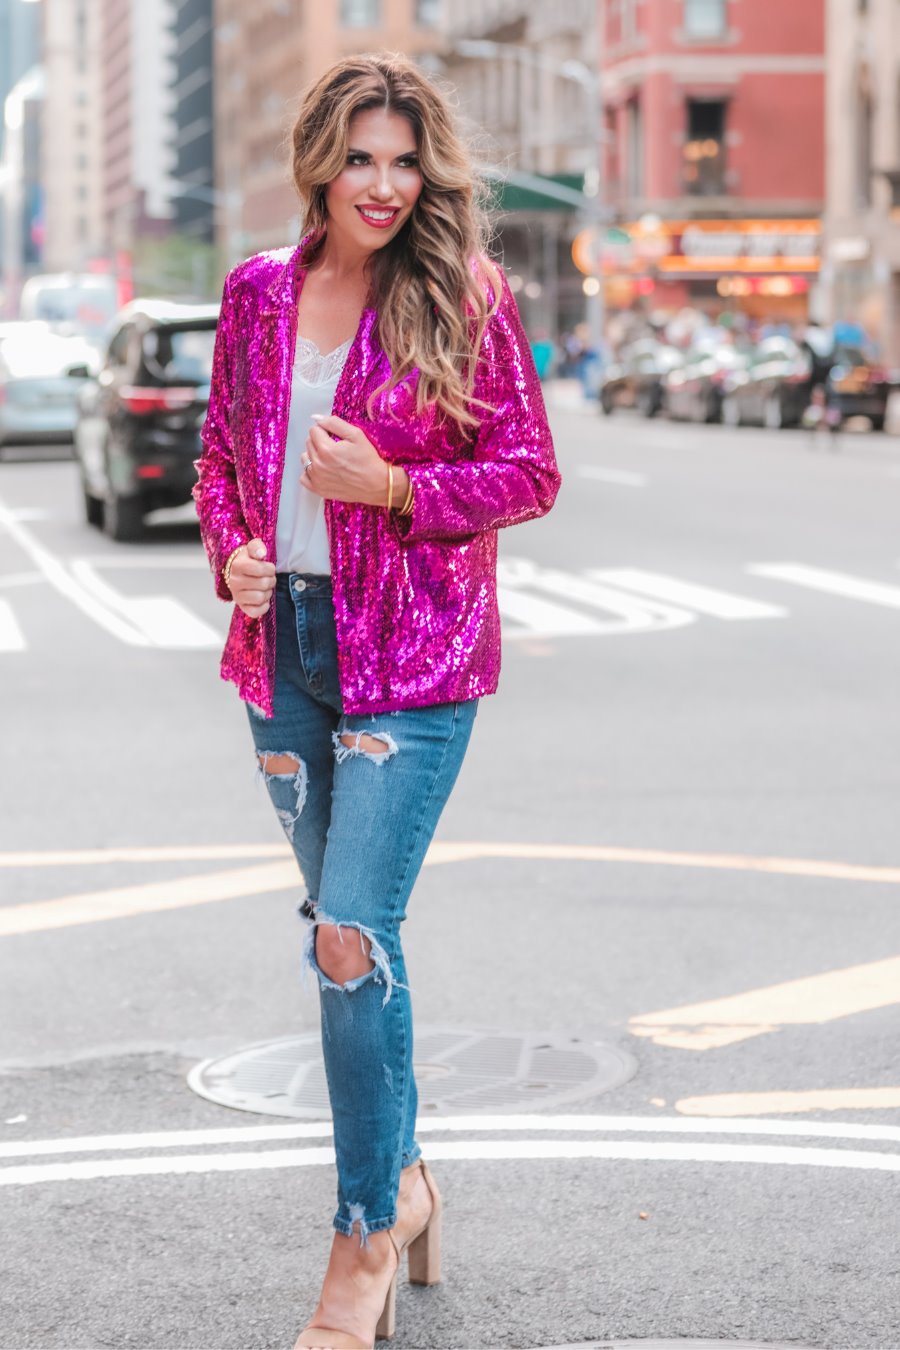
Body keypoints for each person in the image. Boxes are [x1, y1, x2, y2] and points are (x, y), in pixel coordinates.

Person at [193, 51, 560, 1350]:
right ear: (318, 161)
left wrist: (397, 490)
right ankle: (406, 1181)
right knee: (360, 945)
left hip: (413, 658)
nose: (386, 185)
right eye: (362, 157)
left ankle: (361, 1241)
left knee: (346, 932)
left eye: (406, 161)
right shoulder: (254, 297)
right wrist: (233, 547)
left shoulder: (462, 297)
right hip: (282, 650)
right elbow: (224, 461)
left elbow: (530, 470)